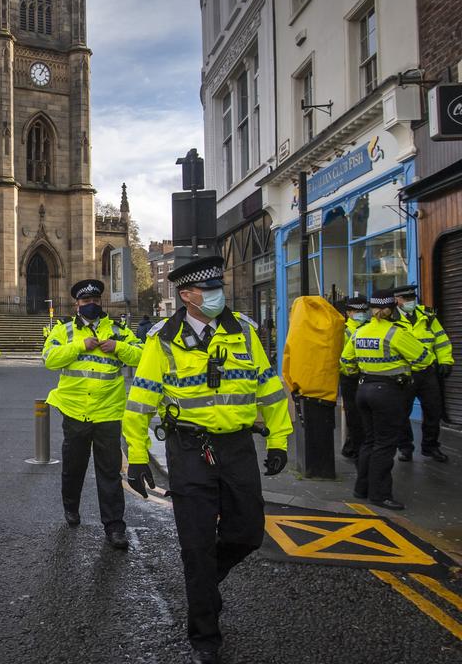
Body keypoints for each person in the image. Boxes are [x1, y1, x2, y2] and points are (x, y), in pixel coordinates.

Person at [124, 256, 292, 664]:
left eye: (218, 288)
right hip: (189, 450)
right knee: (196, 544)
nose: (217, 295)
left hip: (236, 447)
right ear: (187, 295)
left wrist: (280, 440)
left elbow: (269, 389)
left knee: (248, 533)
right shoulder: (162, 339)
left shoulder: (245, 331)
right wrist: (138, 456)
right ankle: (205, 634)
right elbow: (141, 400)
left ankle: (206, 583)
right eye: (209, 290)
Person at [42, 279, 143, 548]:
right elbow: (49, 358)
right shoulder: (64, 331)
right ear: (77, 304)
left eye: (96, 300)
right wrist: (79, 346)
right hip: (75, 411)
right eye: (86, 301)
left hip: (108, 412)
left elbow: (143, 357)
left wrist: (118, 347)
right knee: (74, 466)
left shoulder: (118, 330)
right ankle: (71, 506)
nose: (92, 305)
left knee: (109, 472)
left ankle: (114, 527)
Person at [341, 289, 433, 510]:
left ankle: (361, 488)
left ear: (372, 309)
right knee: (385, 445)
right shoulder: (395, 333)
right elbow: (425, 358)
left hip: (363, 390)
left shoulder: (359, 332)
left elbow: (345, 362)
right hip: (388, 392)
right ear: (392, 309)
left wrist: (361, 371)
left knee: (369, 441)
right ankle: (380, 494)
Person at [390, 284, 453, 463]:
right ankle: (405, 447)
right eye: (406, 299)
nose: (411, 302)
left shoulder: (427, 316)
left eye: (412, 299)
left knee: (434, 409)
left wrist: (446, 361)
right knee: (401, 412)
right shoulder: (390, 318)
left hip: (427, 372)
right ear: (397, 300)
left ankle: (430, 446)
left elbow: (441, 339)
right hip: (403, 373)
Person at [340, 295, 369, 459]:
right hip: (350, 377)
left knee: (364, 415)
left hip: (367, 376)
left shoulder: (372, 327)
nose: (361, 314)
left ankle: (353, 446)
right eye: (357, 311)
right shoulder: (343, 330)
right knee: (354, 415)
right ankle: (356, 447)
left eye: (363, 311)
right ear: (349, 312)